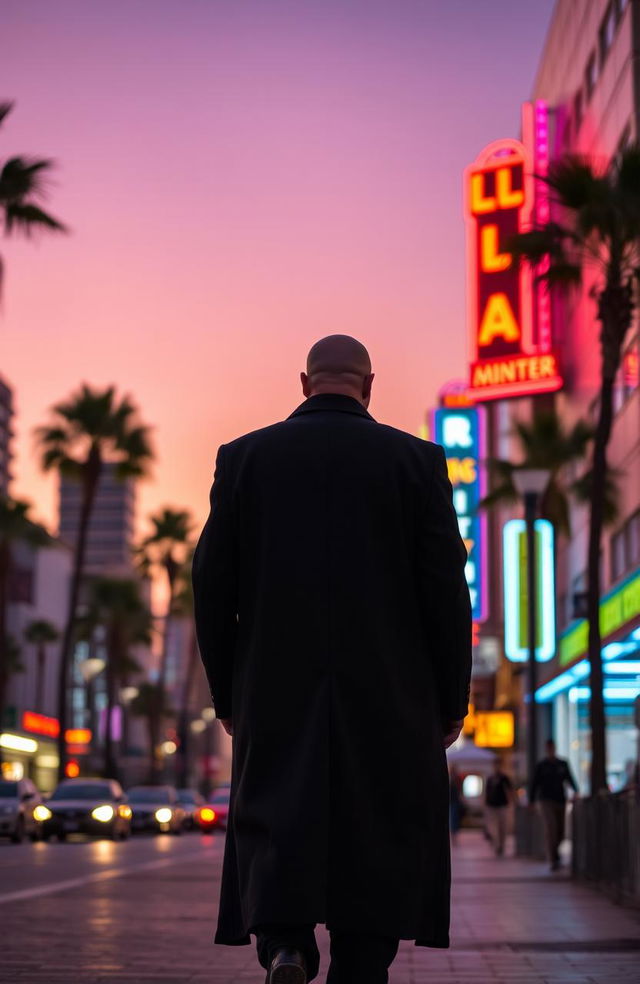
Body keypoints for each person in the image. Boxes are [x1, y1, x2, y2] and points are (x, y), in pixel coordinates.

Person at [192, 335, 472, 984]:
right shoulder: (417, 462)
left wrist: (230, 693)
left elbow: (212, 583)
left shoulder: (244, 459)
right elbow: (446, 593)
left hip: (273, 683)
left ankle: (286, 945)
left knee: (279, 807)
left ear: (303, 382)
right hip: (392, 689)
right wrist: (449, 701)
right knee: (376, 820)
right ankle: (360, 964)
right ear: (369, 386)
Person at [530, 739, 578, 871]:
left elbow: (570, 779)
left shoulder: (562, 764)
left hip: (560, 800)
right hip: (546, 801)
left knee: (561, 831)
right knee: (551, 828)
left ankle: (555, 853)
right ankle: (553, 858)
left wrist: (576, 791)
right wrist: (532, 801)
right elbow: (534, 784)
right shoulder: (542, 766)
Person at [484, 760, 513, 857]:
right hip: (492, 806)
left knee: (503, 828)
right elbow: (486, 793)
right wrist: (485, 804)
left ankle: (501, 845)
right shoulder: (490, 779)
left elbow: (509, 791)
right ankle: (497, 844)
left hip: (502, 805)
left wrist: (511, 803)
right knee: (494, 828)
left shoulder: (504, 778)